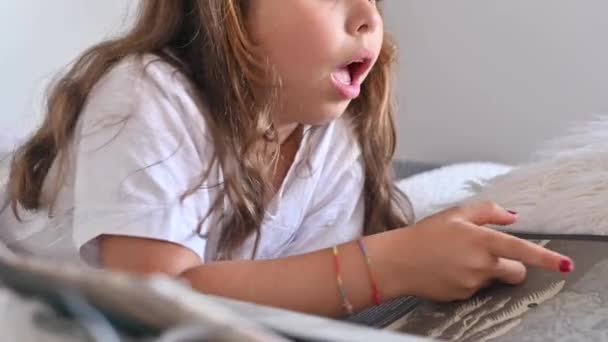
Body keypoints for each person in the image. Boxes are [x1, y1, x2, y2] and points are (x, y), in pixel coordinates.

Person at [0, 0, 573, 318]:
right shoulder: (148, 95)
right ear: (229, 11)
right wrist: (387, 266)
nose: (368, 17)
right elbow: (149, 304)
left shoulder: (330, 136)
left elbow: (306, 292)